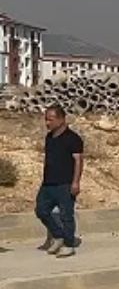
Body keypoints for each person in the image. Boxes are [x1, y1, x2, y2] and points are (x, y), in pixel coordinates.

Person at [36, 105, 84, 258]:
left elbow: (78, 161)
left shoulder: (73, 139)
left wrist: (75, 182)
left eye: (50, 119)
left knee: (66, 215)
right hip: (48, 183)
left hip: (65, 183)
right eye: (46, 120)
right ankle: (58, 236)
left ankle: (69, 245)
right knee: (41, 210)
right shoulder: (49, 137)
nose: (47, 123)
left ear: (61, 119)